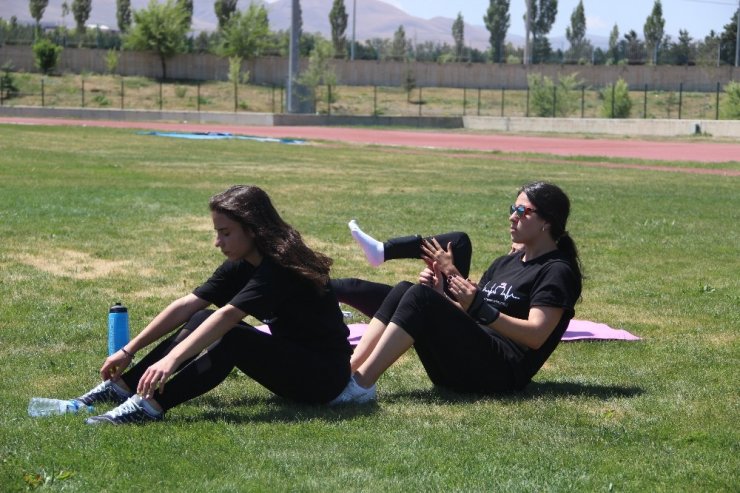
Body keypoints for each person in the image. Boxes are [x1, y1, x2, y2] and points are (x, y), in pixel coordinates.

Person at [76, 185, 362, 425]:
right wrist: (129, 350)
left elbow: (228, 316)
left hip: (324, 380)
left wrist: (171, 360)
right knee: (201, 316)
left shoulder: (280, 267)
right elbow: (189, 305)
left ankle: (150, 407)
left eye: (225, 233)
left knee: (234, 338)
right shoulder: (245, 261)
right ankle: (122, 388)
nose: (217, 242)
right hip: (297, 362)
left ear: (252, 229)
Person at [333, 181, 583, 401]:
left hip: (500, 374)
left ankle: (361, 386)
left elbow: (536, 336)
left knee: (420, 298)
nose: (512, 217)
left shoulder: (557, 271)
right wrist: (441, 295)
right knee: (406, 289)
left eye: (522, 211)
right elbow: (473, 315)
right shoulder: (503, 263)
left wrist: (479, 307)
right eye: (512, 209)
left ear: (546, 222)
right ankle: (348, 373)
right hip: (468, 363)